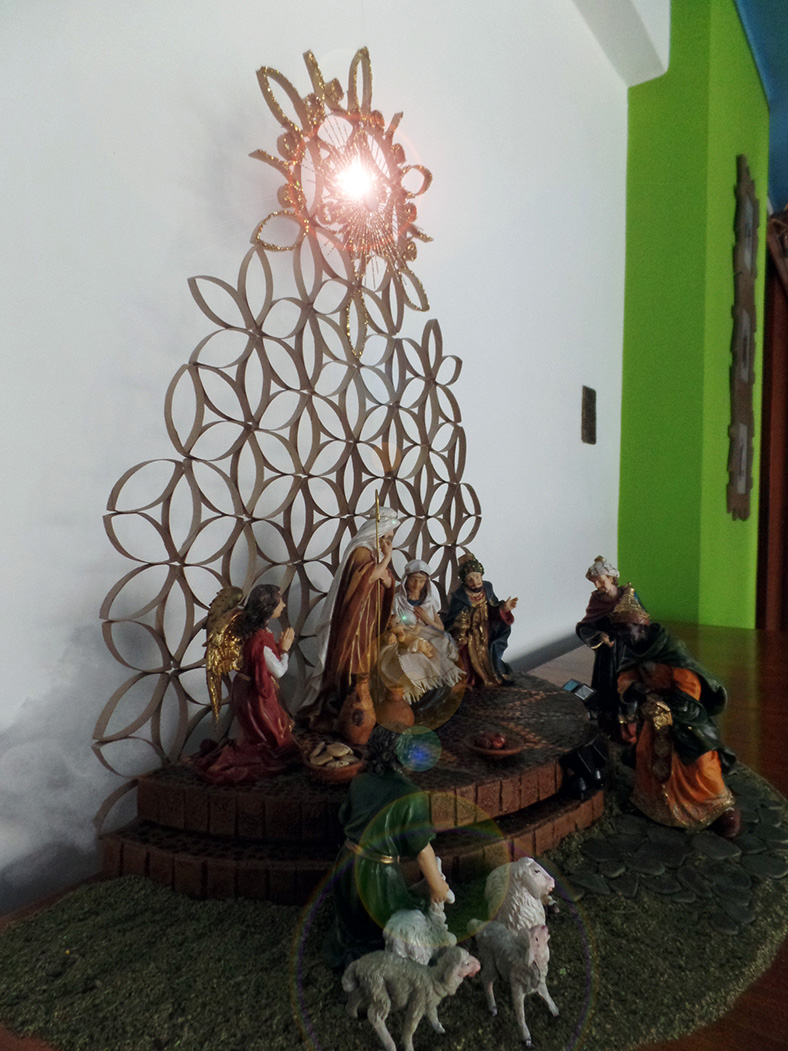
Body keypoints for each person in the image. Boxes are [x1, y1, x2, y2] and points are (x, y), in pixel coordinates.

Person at [612, 588, 740, 837]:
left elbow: (689, 685)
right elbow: (626, 676)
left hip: (683, 719)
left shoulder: (670, 650)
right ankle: (651, 804)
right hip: (654, 718)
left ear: (641, 627)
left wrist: (672, 704)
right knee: (646, 756)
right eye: (619, 633)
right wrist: (635, 688)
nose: (623, 639)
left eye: (626, 631)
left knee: (699, 763)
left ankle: (718, 808)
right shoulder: (634, 650)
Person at [325, 725, 451, 971]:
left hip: (345, 866)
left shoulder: (360, 781)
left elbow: (344, 818)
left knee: (352, 919)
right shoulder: (411, 795)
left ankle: (353, 942)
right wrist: (437, 885)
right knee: (396, 919)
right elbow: (422, 849)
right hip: (376, 876)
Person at [299, 508, 399, 732]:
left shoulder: (373, 552)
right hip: (354, 620)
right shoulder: (361, 551)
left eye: (391, 537)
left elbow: (382, 578)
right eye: (388, 535)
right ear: (379, 531)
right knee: (352, 660)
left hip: (368, 618)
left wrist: (388, 580)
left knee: (368, 659)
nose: (389, 540)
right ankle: (346, 705)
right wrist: (387, 559)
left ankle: (365, 705)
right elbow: (368, 578)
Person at [195, 584, 299, 784]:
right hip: (256, 694)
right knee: (271, 737)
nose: (284, 605)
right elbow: (278, 670)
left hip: (248, 688)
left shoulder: (256, 632)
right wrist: (285, 649)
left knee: (268, 731)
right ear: (268, 607)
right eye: (280, 602)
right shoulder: (260, 640)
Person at [377, 559, 464, 707]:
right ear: (406, 580)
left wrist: (426, 619)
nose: (417, 585)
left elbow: (440, 627)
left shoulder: (430, 601)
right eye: (414, 580)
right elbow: (390, 623)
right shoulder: (397, 601)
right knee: (413, 659)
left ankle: (437, 696)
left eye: (422, 581)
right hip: (405, 640)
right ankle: (418, 698)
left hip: (428, 637)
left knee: (438, 655)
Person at [575, 556, 637, 732]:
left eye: (601, 580)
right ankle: (605, 715)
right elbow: (585, 626)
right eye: (594, 582)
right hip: (607, 654)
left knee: (627, 684)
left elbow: (641, 624)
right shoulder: (597, 600)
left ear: (611, 578)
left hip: (627, 650)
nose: (597, 585)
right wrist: (598, 635)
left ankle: (628, 718)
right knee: (606, 683)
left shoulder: (628, 596)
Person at [442, 553, 517, 687]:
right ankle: (472, 680)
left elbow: (492, 609)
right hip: (468, 636)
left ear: (481, 575)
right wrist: (461, 626)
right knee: (468, 662)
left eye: (477, 577)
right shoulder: (459, 597)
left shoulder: (487, 588)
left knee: (488, 658)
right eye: (470, 579)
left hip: (486, 631)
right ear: (464, 581)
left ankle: (492, 676)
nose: (475, 582)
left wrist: (503, 608)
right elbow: (452, 619)